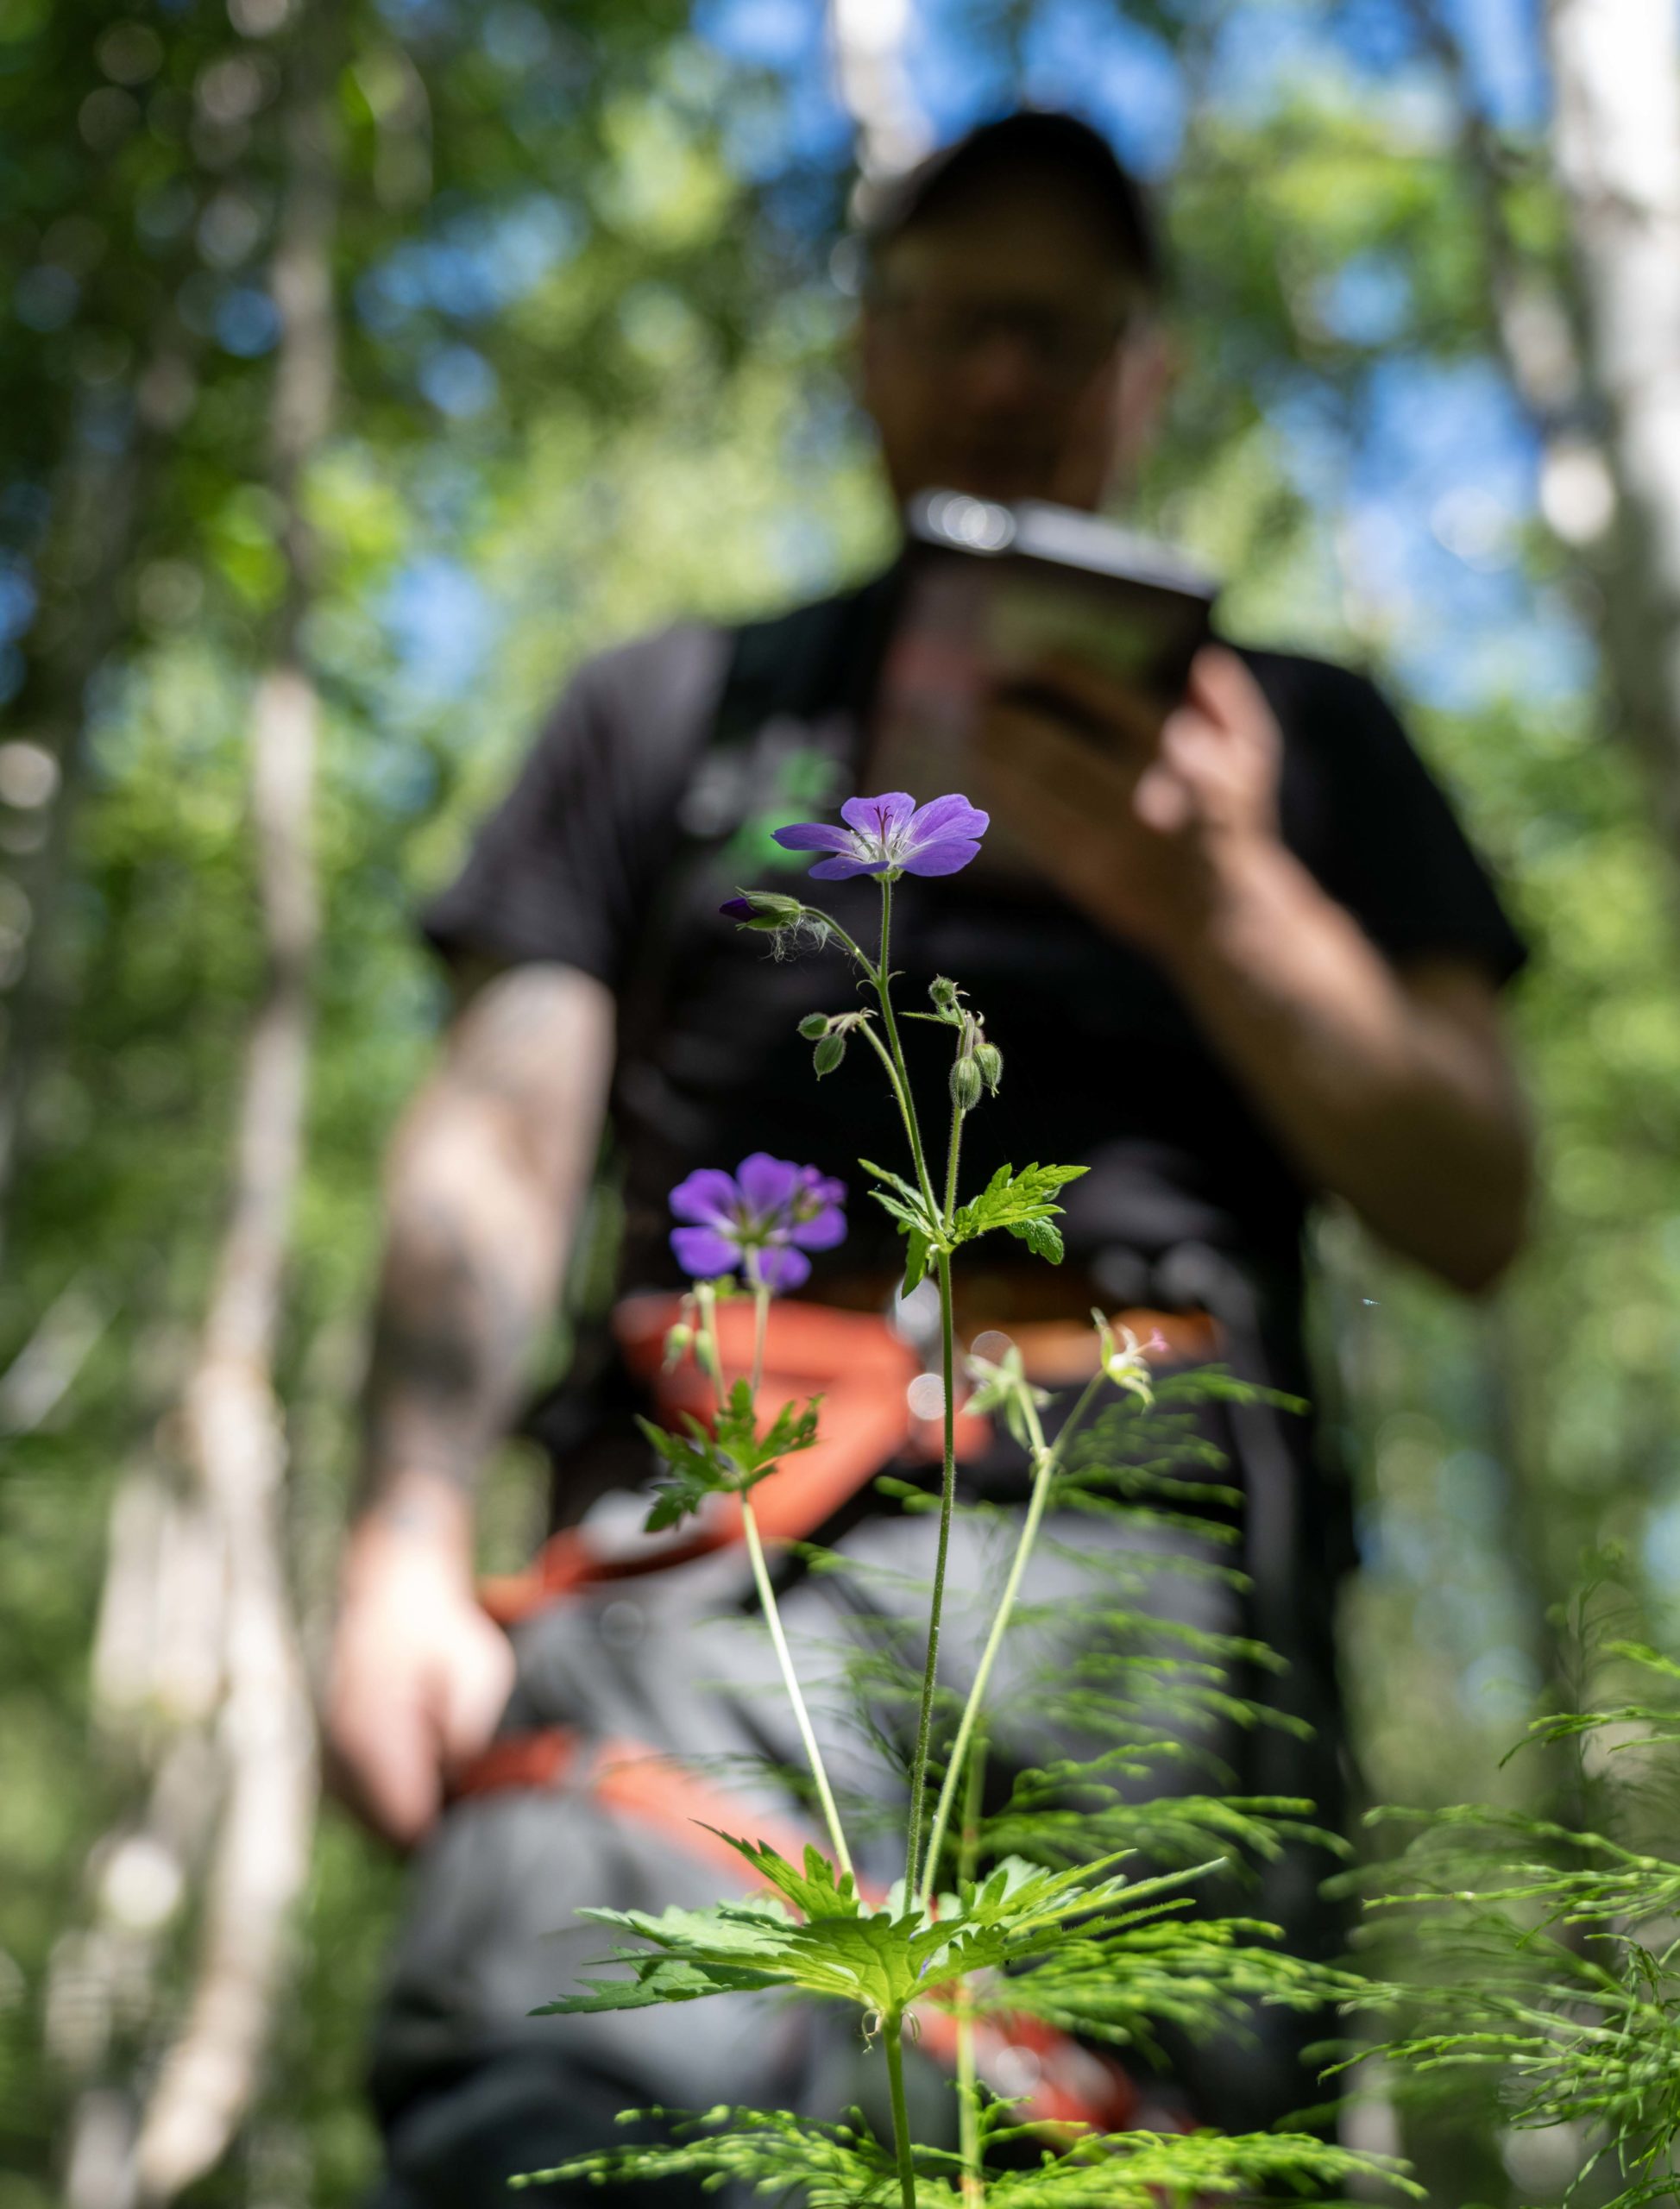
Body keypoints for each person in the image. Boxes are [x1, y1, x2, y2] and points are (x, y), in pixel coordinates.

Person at [328, 112, 1532, 2205]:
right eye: (959, 320)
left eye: (1060, 333)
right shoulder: (670, 713)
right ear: (866, 350)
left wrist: (1219, 895)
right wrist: (399, 1534)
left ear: (1143, 373)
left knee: (1110, 2151)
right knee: (567, 2095)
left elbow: (1475, 1198)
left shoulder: (1306, 740)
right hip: (701, 1536)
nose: (1002, 378)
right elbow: (498, 1123)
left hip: (1147, 1548)